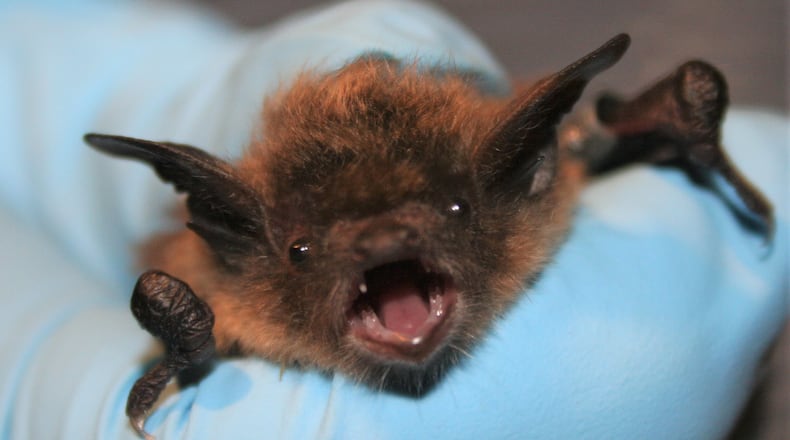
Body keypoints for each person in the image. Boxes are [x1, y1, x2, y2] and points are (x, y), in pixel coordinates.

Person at [1, 1, 786, 438]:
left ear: (529, 170)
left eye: (448, 209)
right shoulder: (227, 284)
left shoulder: (546, 174)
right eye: (307, 246)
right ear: (240, 239)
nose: (382, 242)